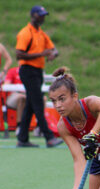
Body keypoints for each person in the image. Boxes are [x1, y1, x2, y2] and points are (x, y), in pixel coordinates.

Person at [15, 5, 62, 147]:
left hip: (37, 72)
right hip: (28, 71)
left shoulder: (41, 33)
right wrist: (42, 54)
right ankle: (49, 137)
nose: (42, 17)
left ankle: (22, 138)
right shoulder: (25, 32)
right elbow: (19, 54)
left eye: (44, 15)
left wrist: (53, 54)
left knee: (30, 105)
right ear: (33, 15)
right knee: (37, 104)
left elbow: (54, 49)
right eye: (40, 15)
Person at [4, 64, 26, 136]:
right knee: (21, 98)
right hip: (15, 95)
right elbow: (6, 85)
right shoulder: (13, 71)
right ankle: (19, 126)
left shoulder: (33, 72)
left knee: (43, 99)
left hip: (28, 95)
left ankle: (39, 127)